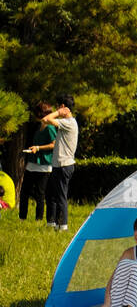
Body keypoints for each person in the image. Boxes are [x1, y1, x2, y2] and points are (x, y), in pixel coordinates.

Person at [37, 96, 78, 232]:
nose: (56, 110)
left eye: (58, 107)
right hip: (58, 165)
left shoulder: (69, 123)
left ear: (63, 107)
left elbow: (46, 119)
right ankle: (53, 224)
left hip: (64, 165)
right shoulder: (66, 122)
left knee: (61, 197)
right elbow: (45, 121)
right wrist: (60, 112)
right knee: (52, 195)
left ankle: (63, 226)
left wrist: (59, 112)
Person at [20, 101, 56, 221]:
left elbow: (53, 144)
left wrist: (39, 148)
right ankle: (22, 217)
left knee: (39, 195)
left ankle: (38, 219)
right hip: (32, 164)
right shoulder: (39, 126)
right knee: (24, 192)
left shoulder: (50, 128)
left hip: (44, 165)